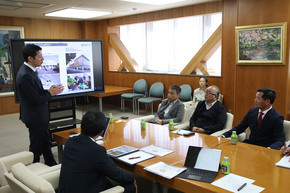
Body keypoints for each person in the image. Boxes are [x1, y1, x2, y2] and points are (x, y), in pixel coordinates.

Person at [58, 110, 137, 193]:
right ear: (101, 132)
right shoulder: (96, 151)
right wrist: (132, 180)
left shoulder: (70, 141)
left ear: (81, 126)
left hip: (66, 189)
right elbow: (115, 173)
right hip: (88, 189)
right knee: (131, 187)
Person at [16, 44, 64, 166]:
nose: (43, 59)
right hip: (35, 117)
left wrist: (48, 91)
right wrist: (51, 94)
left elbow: (36, 92)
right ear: (30, 58)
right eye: (40, 57)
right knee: (36, 147)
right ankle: (31, 171)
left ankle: (51, 164)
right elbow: (35, 99)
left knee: (44, 142)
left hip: (38, 116)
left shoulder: (30, 71)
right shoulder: (26, 75)